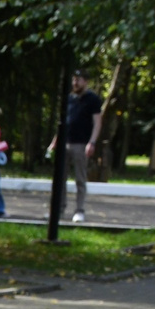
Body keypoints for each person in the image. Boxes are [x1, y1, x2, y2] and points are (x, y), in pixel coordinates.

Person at [61, 71, 103, 224]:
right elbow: (64, 122)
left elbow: (97, 123)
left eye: (78, 80)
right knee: (61, 178)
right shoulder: (69, 99)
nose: (75, 83)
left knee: (80, 178)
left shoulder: (93, 99)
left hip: (81, 144)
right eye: (73, 79)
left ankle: (79, 210)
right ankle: (59, 209)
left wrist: (92, 142)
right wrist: (55, 141)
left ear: (85, 81)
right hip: (65, 143)